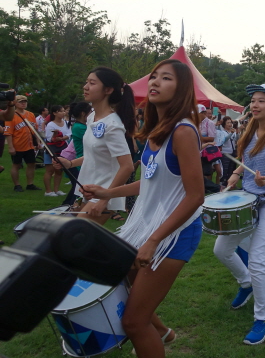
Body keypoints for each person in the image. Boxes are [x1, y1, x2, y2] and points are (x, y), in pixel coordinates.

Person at [81, 59, 204, 358]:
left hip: (173, 234)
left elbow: (195, 196)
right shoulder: (156, 131)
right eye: (153, 77)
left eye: (166, 78)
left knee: (134, 322)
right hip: (149, 227)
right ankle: (162, 333)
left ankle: (156, 333)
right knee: (127, 287)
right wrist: (108, 192)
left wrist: (152, 241)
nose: (155, 82)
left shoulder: (183, 132)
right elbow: (150, 183)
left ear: (182, 88)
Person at [217, 84, 265, 345]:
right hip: (247, 202)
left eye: (261, 101)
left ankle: (263, 320)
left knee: (258, 259)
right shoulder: (250, 129)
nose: (255, 105)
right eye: (253, 100)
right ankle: (246, 283)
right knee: (221, 249)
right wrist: (236, 174)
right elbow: (244, 162)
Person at [55, 67, 135, 224]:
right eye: (86, 82)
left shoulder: (112, 125)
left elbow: (127, 166)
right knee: (77, 242)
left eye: (92, 83)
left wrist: (105, 198)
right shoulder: (92, 117)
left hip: (104, 191)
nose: (85, 87)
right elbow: (94, 154)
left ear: (108, 90)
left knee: (76, 240)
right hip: (89, 189)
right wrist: (70, 163)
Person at [6, 95, 41, 192]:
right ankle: (17, 185)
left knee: (31, 164)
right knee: (16, 165)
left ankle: (30, 184)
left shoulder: (30, 114)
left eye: (25, 101)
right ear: (15, 103)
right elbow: (8, 132)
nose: (23, 103)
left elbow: (34, 129)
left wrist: (37, 141)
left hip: (29, 145)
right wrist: (10, 147)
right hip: (17, 145)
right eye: (21, 101)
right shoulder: (11, 115)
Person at [43, 105, 71, 196]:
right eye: (61, 111)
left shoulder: (66, 123)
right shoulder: (50, 124)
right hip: (52, 149)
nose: (63, 113)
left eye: (63, 111)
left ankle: (56, 190)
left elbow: (69, 134)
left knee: (59, 170)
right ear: (55, 113)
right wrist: (55, 136)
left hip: (62, 148)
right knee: (50, 170)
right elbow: (49, 138)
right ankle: (48, 191)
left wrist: (63, 138)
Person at [218, 116, 237, 186]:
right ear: (224, 124)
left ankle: (229, 184)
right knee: (224, 170)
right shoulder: (222, 132)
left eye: (230, 122)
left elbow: (236, 139)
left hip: (232, 153)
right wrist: (231, 133)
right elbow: (224, 140)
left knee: (231, 170)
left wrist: (237, 133)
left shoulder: (233, 131)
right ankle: (222, 185)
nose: (230, 124)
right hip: (225, 154)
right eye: (228, 123)